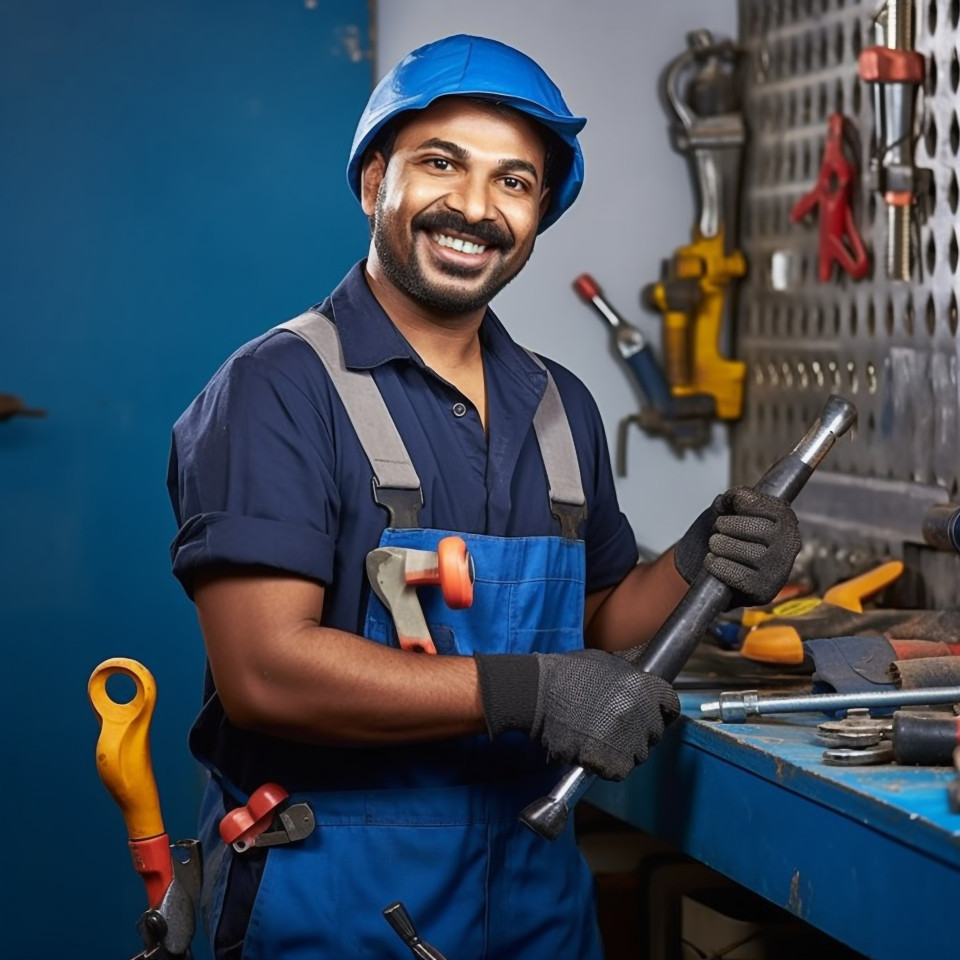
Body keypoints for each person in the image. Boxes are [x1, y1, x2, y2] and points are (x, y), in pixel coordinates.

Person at [167, 33, 801, 960]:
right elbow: (265, 674)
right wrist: (529, 691)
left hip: (535, 891)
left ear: (539, 213)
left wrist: (700, 564)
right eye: (441, 163)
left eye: (514, 181)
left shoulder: (559, 405)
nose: (474, 206)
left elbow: (598, 619)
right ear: (374, 180)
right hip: (334, 894)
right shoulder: (277, 389)